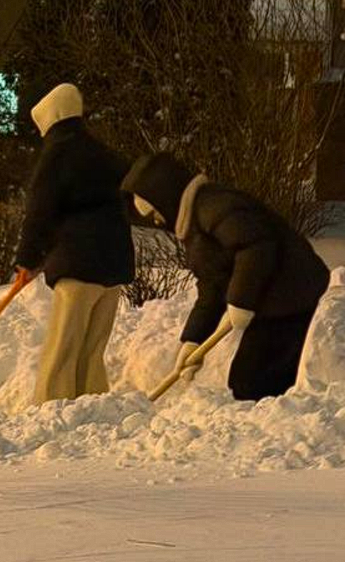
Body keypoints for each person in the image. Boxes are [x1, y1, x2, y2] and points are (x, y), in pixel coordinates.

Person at [121, 152, 330, 401]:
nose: (156, 220)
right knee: (250, 380)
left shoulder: (214, 207)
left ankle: (275, 428)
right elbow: (212, 285)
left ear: (166, 198)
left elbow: (257, 246)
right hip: (272, 297)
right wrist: (193, 339)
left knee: (253, 380)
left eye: (155, 212)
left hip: (290, 294)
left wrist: (241, 300)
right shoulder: (195, 225)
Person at [14, 83, 136, 404]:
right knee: (92, 349)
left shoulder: (57, 155)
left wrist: (28, 258)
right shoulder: (106, 154)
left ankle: (50, 410)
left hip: (78, 265)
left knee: (63, 348)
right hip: (114, 266)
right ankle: (91, 406)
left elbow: (40, 210)